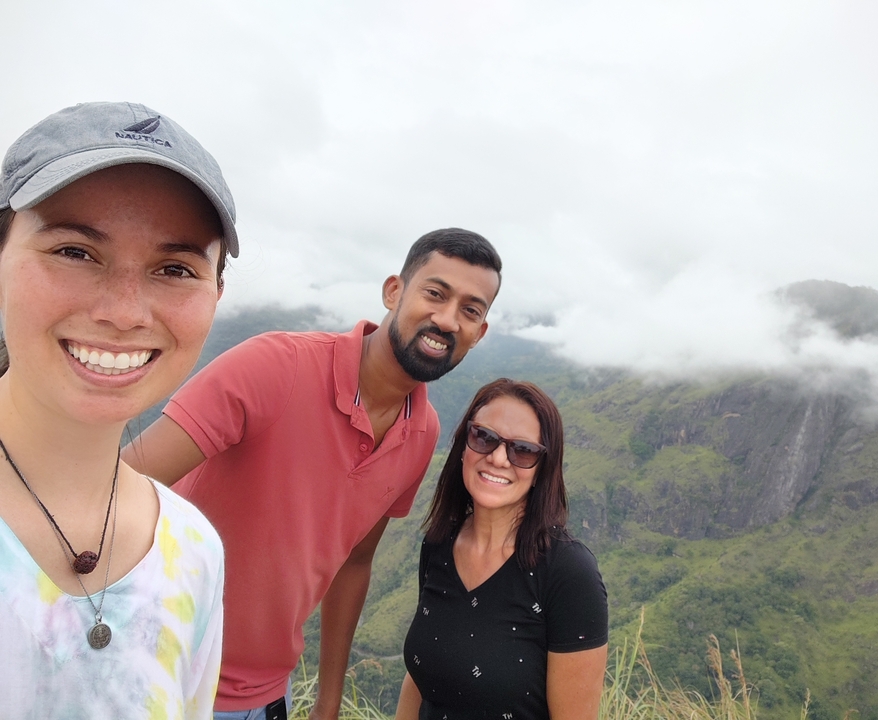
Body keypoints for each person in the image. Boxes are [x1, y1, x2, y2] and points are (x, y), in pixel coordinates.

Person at [122, 228, 503, 719]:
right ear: (394, 291)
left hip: (263, 697)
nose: (447, 319)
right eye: (435, 293)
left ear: (480, 333)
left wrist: (328, 701)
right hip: (151, 674)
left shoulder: (422, 430)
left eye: (470, 310)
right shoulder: (277, 366)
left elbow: (356, 561)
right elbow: (120, 486)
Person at [0, 101, 237, 717]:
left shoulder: (193, 551)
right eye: (75, 252)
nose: (125, 312)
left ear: (217, 293)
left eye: (174, 268)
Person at [396, 378, 609, 720]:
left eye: (522, 450)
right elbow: (421, 681)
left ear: (542, 469)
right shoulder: (439, 543)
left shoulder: (568, 572)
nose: (497, 458)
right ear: (463, 445)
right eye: (484, 437)